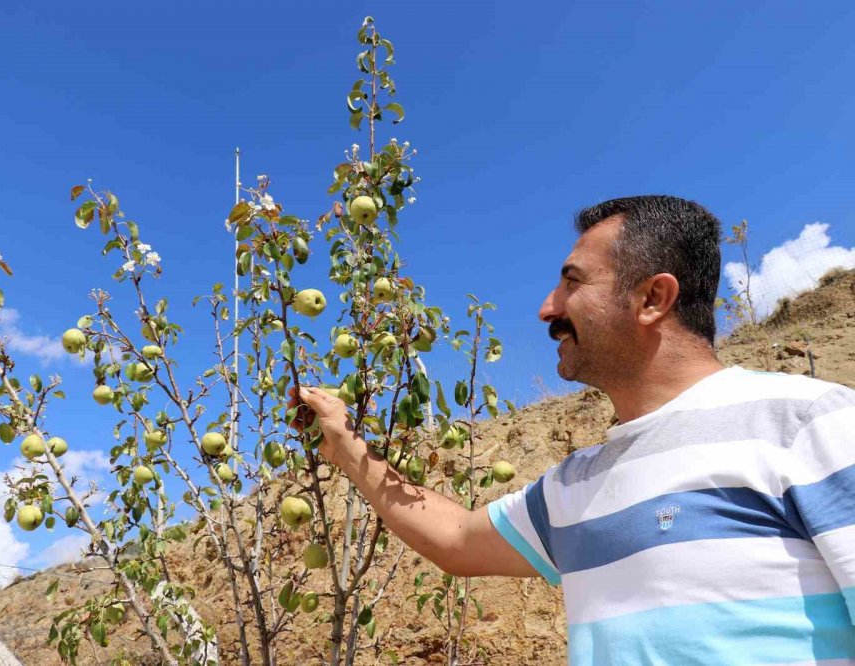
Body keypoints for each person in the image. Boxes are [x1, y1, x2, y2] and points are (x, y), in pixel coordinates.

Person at [293, 195, 855, 664]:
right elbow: (458, 540)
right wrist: (347, 448)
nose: (546, 308)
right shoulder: (577, 484)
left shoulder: (811, 424)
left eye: (572, 283)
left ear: (652, 298)